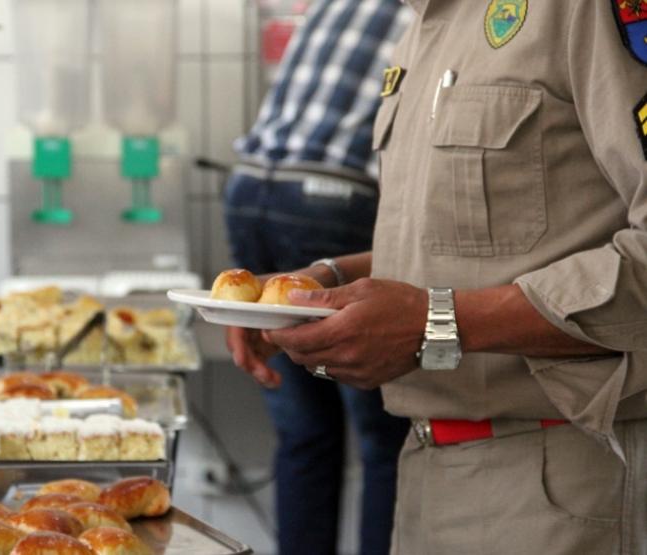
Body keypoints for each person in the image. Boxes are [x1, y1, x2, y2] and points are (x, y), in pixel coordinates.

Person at [227, 0, 647, 553]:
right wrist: (321, 284)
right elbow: (469, 248)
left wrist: (437, 324)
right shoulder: (426, 23)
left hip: (560, 482)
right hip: (429, 476)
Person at [223, 1, 413, 553]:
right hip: (333, 197)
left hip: (250, 188)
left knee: (304, 430)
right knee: (386, 436)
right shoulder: (440, 13)